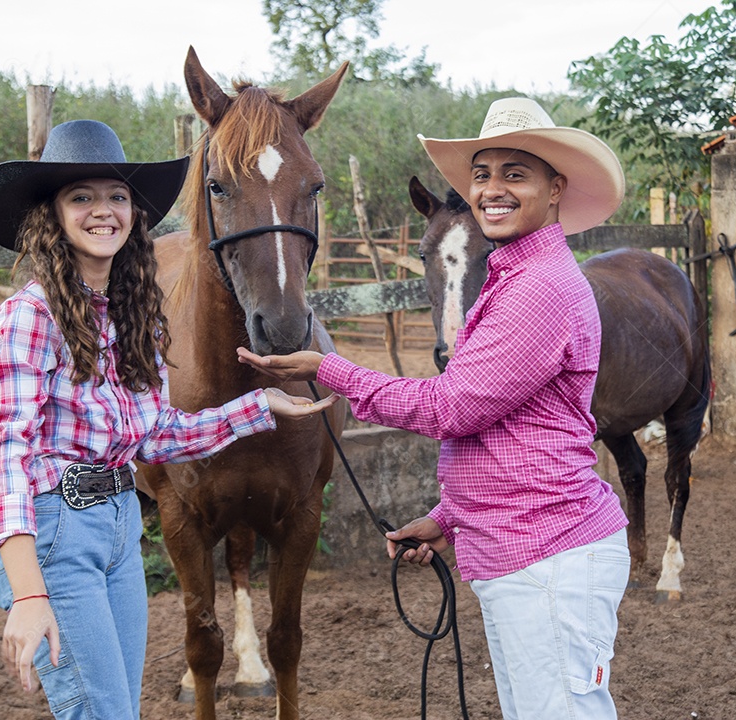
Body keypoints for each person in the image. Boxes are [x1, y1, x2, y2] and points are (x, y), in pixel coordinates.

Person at [237, 97, 631, 719]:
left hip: (548, 556)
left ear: (556, 189)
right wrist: (451, 517)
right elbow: (514, 434)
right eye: (482, 174)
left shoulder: (540, 289)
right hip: (528, 547)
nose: (492, 190)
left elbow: (455, 407)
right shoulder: (513, 278)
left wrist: (328, 368)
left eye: (514, 174)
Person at [0, 119, 336, 720]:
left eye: (117, 196)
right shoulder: (30, 317)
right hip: (60, 531)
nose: (103, 211)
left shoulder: (126, 316)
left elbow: (155, 434)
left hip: (118, 527)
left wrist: (255, 407)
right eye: (80, 197)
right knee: (101, 712)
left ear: (135, 213)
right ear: (50, 215)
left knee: (118, 709)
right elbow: (4, 455)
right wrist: (30, 591)